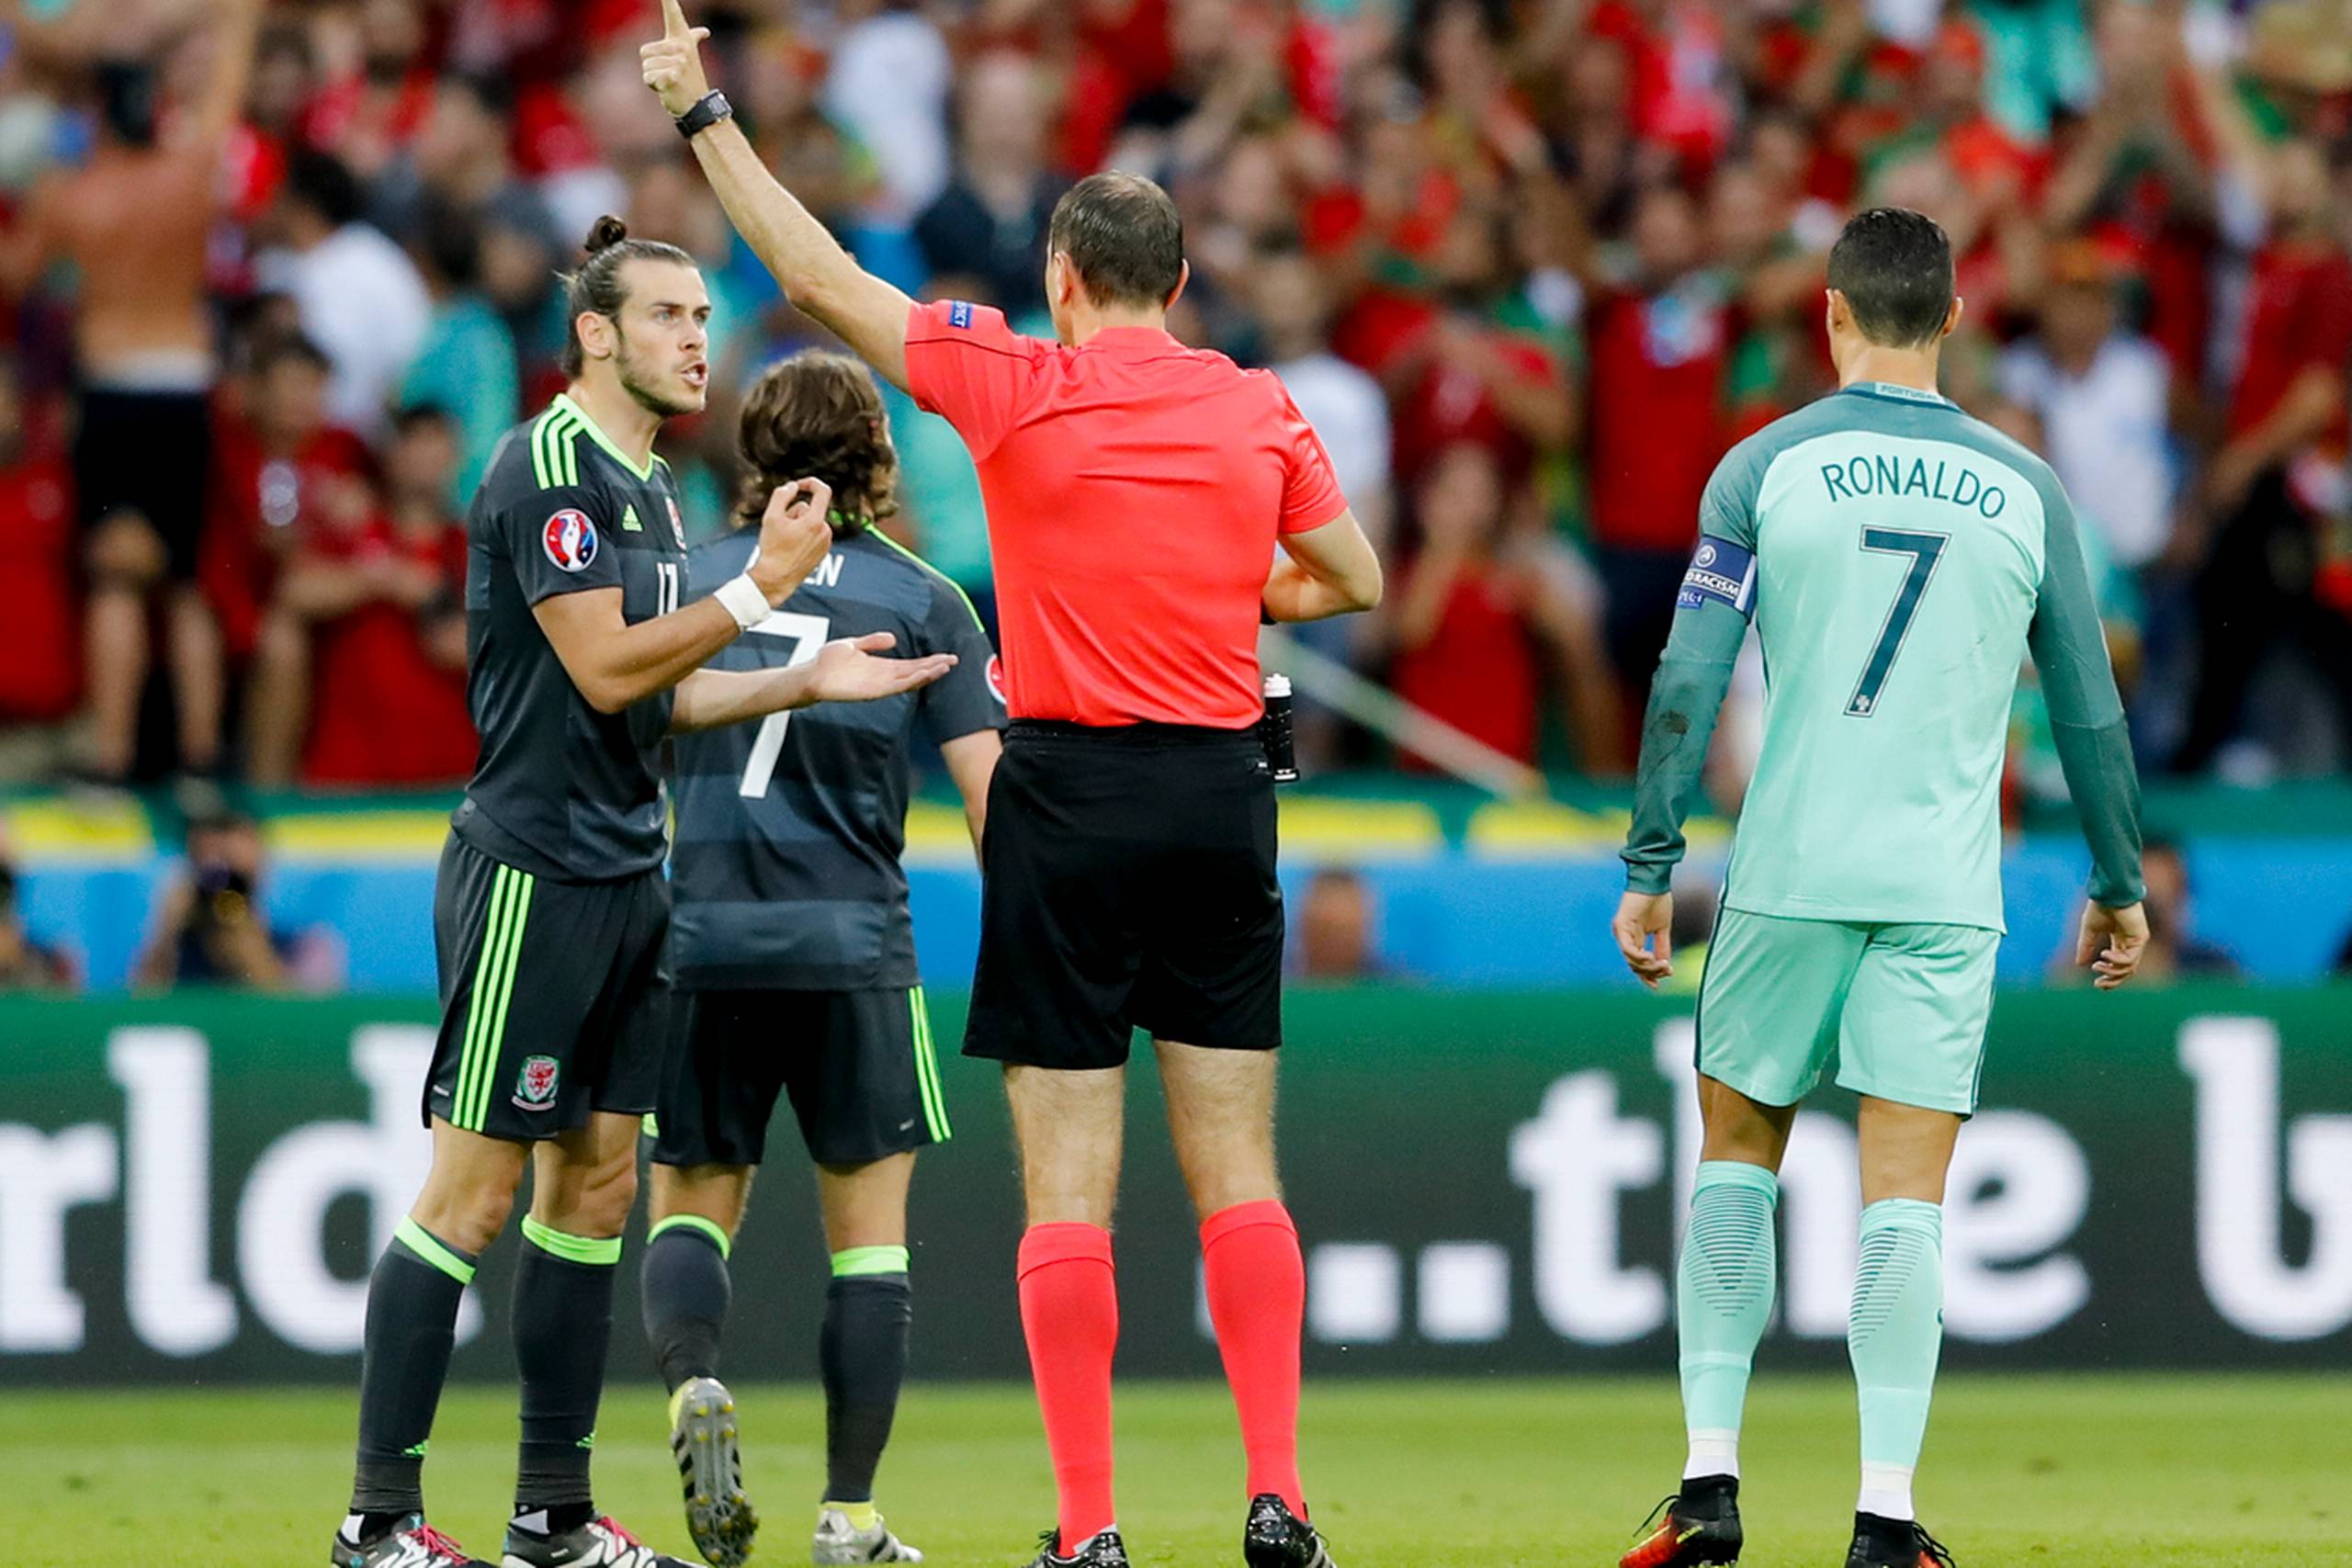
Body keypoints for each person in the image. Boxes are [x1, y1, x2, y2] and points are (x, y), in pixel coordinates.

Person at [643, 12, 1384, 1568]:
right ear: (1181, 285)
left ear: (1060, 278)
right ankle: (1278, 1496)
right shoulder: (1255, 404)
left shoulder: (1014, 379)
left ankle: (1096, 1525)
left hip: (1064, 794)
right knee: (1240, 1165)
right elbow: (1353, 575)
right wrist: (1207, 594)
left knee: (1069, 1184)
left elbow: (818, 285)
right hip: (1217, 790)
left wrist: (706, 115)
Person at [331, 216, 956, 1568]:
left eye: (700, 316)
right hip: (533, 875)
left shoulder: (657, 490)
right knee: (472, 1193)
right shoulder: (548, 469)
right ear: (598, 334)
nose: (696, 337)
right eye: (668, 315)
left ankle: (551, 1513)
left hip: (632, 872)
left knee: (602, 1187)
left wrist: (798, 674)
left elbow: (659, 700)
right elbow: (608, 667)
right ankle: (377, 1514)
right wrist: (765, 597)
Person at [1609, 209, 2148, 1568]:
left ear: (1834, 314)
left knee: (1738, 1163)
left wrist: (1652, 860)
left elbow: (1686, 676)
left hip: (1787, 873)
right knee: (1903, 1199)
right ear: (1955, 321)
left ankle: (1710, 1482)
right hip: (1941, 889)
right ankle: (1887, 1512)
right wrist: (2119, 877)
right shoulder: (2028, 488)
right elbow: (2088, 708)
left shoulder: (1762, 468)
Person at [638, 350, 1003, 1568]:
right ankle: (848, 1511)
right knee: (871, 1239)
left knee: (690, 1202)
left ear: (754, 455)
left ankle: (695, 1382)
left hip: (704, 939)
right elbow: (991, 801)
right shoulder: (925, 596)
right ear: (876, 459)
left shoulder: (684, 580)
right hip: (854, 946)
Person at [0, 0, 265, 789]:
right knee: (185, 581)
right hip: (185, 382)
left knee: (115, 577)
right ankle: (203, 754)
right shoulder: (188, 176)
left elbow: (15, 277)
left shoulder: (72, 192)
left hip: (111, 384)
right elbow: (228, 80)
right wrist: (238, 17)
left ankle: (112, 755)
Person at [131, 809, 335, 992]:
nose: (224, 889)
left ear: (262, 865)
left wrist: (252, 952)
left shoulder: (306, 946)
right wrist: (167, 935)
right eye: (210, 871)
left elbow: (304, 1021)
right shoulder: (176, 948)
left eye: (236, 877)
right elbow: (142, 1016)